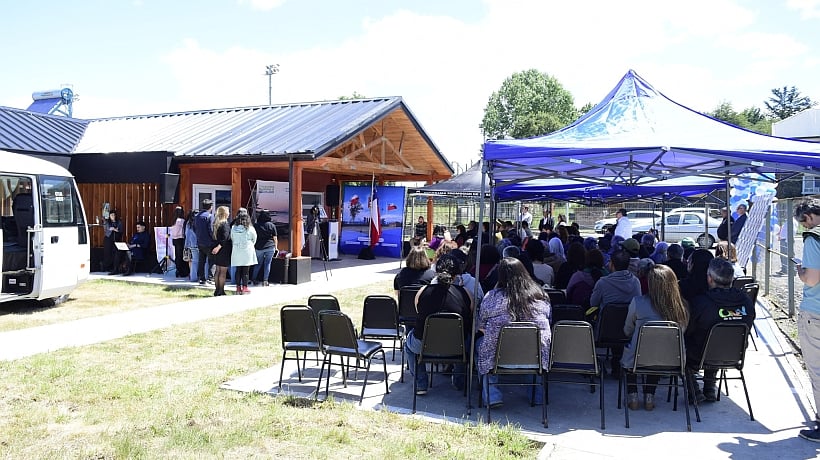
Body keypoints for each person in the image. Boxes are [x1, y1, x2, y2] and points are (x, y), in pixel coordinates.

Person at [476, 257, 551, 407]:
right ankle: (537, 396)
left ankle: (493, 396)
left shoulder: (492, 297)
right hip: (534, 356)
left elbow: (481, 326)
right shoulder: (541, 297)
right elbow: (548, 322)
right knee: (534, 344)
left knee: (479, 345)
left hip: (499, 355)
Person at [685, 258, 755, 403]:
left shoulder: (701, 303)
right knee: (715, 342)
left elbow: (688, 330)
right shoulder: (747, 301)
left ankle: (694, 389)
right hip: (735, 354)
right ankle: (709, 387)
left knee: (683, 344)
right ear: (732, 278)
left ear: (709, 279)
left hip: (699, 356)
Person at [621, 264, 689, 411]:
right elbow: (682, 331)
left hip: (639, 357)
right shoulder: (682, 306)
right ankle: (649, 396)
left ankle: (633, 396)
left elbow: (628, 329)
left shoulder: (638, 302)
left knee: (634, 347)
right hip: (671, 359)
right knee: (658, 349)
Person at [405, 254, 473, 396]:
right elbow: (469, 315)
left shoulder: (422, 292)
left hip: (424, 344)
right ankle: (459, 380)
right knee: (467, 341)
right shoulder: (466, 293)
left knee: (408, 344)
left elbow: (419, 312)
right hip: (458, 345)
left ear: (436, 271)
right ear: (457, 274)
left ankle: (420, 383)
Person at [589, 250, 642, 377]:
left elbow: (593, 303)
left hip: (605, 330)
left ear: (611, 264)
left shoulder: (603, 282)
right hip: (629, 330)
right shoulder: (636, 282)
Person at [794, 198, 820, 442]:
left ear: (810, 217)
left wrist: (801, 271)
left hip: (816, 311)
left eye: (803, 222)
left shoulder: (814, 239)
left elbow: (812, 279)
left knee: (817, 370)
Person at [230, 208, 257, 295]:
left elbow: (232, 238)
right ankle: (245, 288)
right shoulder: (250, 228)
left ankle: (238, 288)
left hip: (237, 250)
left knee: (238, 270)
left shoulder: (233, 228)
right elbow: (254, 238)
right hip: (247, 251)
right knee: (245, 271)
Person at [210, 206, 232, 296]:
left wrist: (216, 248)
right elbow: (225, 238)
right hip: (223, 250)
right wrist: (219, 247)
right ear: (225, 214)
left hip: (217, 249)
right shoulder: (225, 224)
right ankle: (221, 291)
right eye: (228, 212)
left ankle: (217, 290)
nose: (229, 213)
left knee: (218, 270)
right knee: (223, 272)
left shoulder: (216, 223)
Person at [252, 210, 278, 286]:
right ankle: (265, 281)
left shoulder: (256, 225)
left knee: (258, 264)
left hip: (258, 247)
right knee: (267, 264)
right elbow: (275, 238)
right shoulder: (271, 225)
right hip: (270, 246)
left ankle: (254, 279)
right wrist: (276, 247)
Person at [195, 199, 216, 285]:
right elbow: (211, 230)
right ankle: (211, 278)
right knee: (212, 260)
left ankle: (201, 278)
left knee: (201, 260)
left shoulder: (197, 216)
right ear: (210, 207)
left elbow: (194, 228)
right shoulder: (210, 216)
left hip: (200, 241)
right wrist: (214, 239)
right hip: (209, 242)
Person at [170, 206, 189, 278]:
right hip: (180, 239)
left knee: (177, 255)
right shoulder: (181, 221)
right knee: (181, 255)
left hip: (174, 239)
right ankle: (182, 272)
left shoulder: (173, 220)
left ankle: (177, 270)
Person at [184, 210, 199, 282]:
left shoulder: (188, 223)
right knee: (204, 261)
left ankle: (193, 277)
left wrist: (186, 245)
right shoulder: (198, 223)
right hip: (199, 243)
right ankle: (203, 277)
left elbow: (187, 235)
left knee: (193, 261)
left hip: (191, 244)